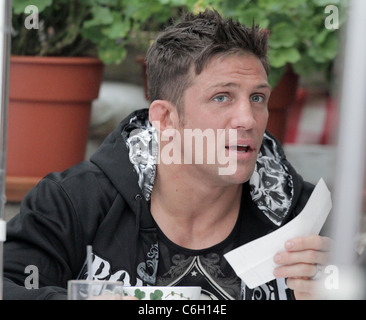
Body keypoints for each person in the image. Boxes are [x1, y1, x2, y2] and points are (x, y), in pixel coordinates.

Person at [3, 9, 330, 300]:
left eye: (258, 97)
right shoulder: (72, 203)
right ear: (165, 119)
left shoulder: (307, 217)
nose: (248, 118)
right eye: (222, 97)